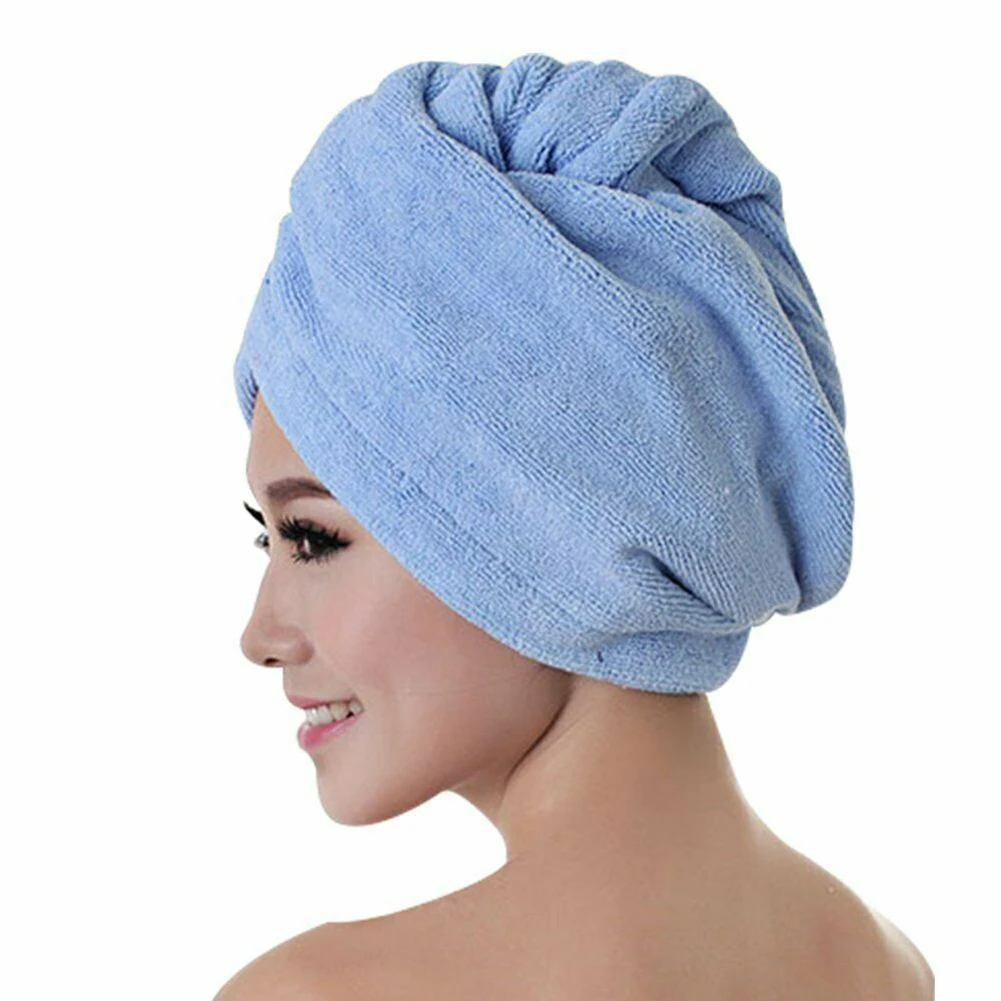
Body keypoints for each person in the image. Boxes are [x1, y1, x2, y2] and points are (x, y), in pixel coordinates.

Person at [216, 53, 934, 1000]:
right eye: (267, 539)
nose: (260, 636)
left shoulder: (324, 992)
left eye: (314, 538)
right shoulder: (881, 962)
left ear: (553, 526)